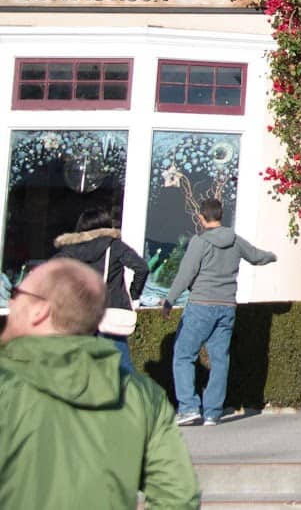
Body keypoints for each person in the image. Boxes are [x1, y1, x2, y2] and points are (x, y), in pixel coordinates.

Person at [0, 257, 200, 509]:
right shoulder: (142, 396)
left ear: (40, 311)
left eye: (17, 293)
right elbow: (178, 497)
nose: (10, 301)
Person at [163, 198, 276, 426]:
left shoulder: (199, 241)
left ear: (201, 217)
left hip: (201, 305)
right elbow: (255, 256)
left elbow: (186, 273)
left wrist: (169, 300)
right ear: (221, 215)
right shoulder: (234, 240)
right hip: (226, 307)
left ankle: (188, 407)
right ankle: (213, 412)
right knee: (220, 359)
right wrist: (272, 256)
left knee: (184, 355)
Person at [52, 208, 149, 374]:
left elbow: (50, 272)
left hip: (81, 313)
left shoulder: (70, 250)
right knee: (122, 366)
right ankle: (130, 398)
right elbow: (141, 268)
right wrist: (133, 294)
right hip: (110, 310)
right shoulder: (114, 246)